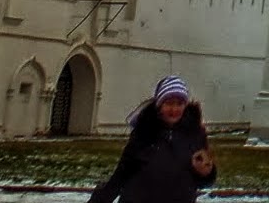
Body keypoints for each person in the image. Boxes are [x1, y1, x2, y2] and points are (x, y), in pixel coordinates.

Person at [88, 76, 217, 203]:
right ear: (159, 105)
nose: (174, 109)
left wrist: (207, 172)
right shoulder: (144, 132)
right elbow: (121, 175)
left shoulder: (195, 134)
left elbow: (204, 179)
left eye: (179, 103)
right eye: (169, 103)